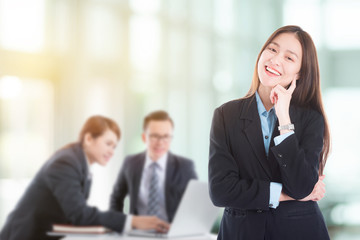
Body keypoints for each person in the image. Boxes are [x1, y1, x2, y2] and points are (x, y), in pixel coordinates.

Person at [208, 25, 331, 240]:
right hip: (241, 233)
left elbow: (301, 186)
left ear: (299, 72)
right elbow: (221, 191)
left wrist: (284, 119)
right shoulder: (226, 115)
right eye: (272, 50)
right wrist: (282, 194)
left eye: (289, 58)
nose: (275, 60)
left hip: (299, 232)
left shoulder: (311, 118)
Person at [0, 115, 169, 240]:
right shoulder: (65, 162)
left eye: (115, 147)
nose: (112, 151)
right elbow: (78, 213)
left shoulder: (80, 163)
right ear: (88, 138)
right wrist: (132, 221)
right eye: (108, 144)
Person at [110, 110, 198, 222]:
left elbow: (194, 205)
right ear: (144, 137)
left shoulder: (185, 166)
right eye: (154, 136)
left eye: (166, 136)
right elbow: (116, 199)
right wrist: (119, 225)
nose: (160, 142)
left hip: (171, 233)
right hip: (137, 232)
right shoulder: (130, 163)